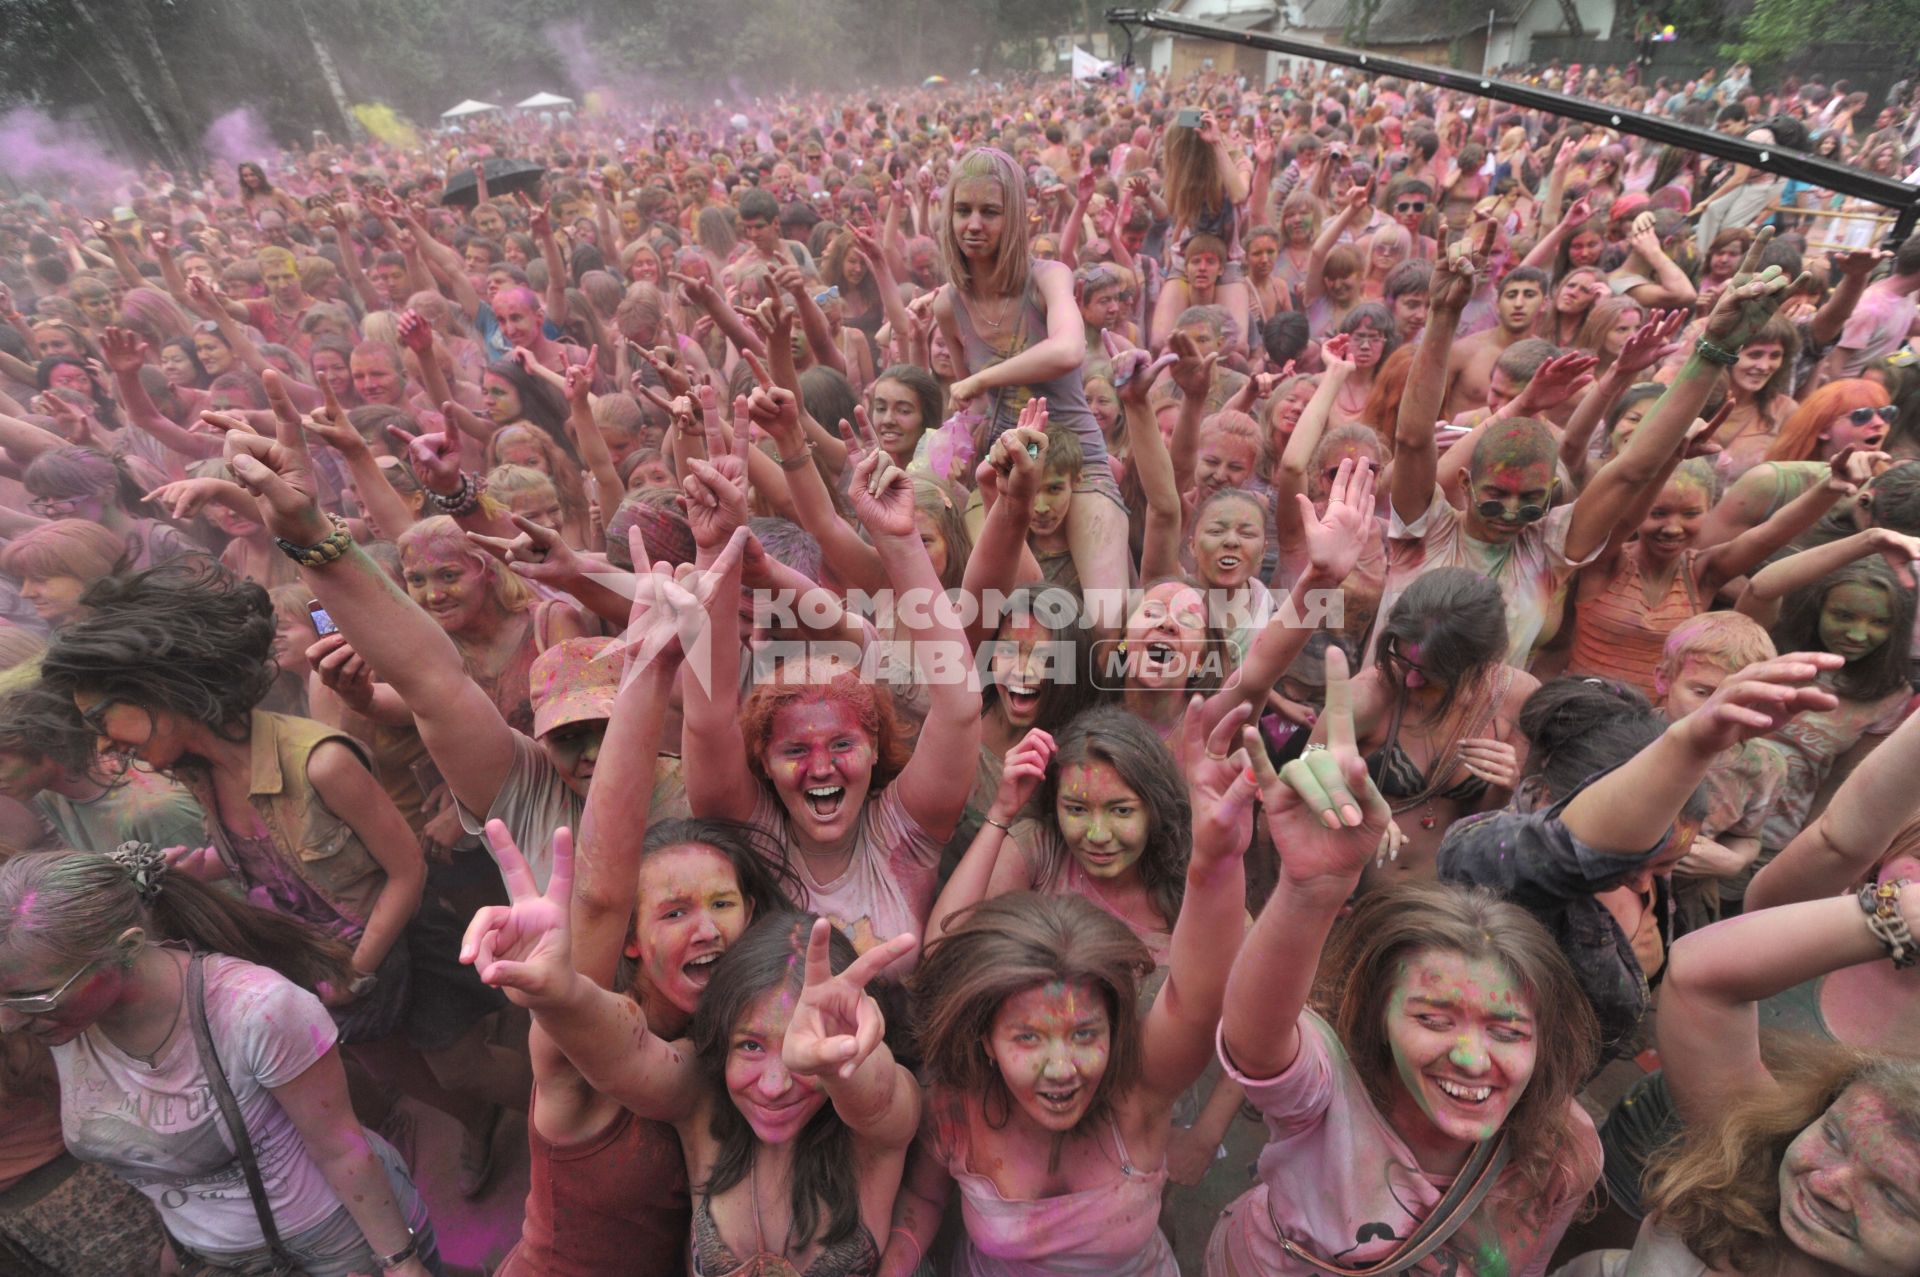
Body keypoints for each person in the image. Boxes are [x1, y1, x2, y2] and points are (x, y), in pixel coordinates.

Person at [1209, 645, 1604, 1277]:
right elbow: (1256, 1044)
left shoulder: (1567, 1150)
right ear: (1377, 1018)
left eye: (1508, 1031)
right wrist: (1309, 891)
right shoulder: (1332, 1094)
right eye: (1434, 1019)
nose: (1473, 1059)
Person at [464, 817, 920, 1277]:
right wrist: (561, 992)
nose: (776, 1084)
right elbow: (628, 1051)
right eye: (751, 1046)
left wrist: (842, 1059)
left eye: (721, 903)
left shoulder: (874, 1135)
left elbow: (880, 1097)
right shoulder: (701, 1094)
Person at [0, 846, 442, 1277]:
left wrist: (399, 1261)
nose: (9, 1019)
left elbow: (341, 1148)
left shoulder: (255, 1010)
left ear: (128, 948)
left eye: (33, 998)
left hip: (332, 1247)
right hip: (214, 1255)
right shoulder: (62, 1024)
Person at [934, 148, 1132, 604]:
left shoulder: (1049, 277)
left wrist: (981, 380)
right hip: (1008, 467)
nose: (974, 224)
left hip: (1080, 462)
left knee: (1106, 616)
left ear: (1018, 218)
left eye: (990, 212)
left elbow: (1067, 350)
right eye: (963, 210)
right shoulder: (949, 305)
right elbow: (975, 402)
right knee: (1008, 613)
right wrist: (956, 437)